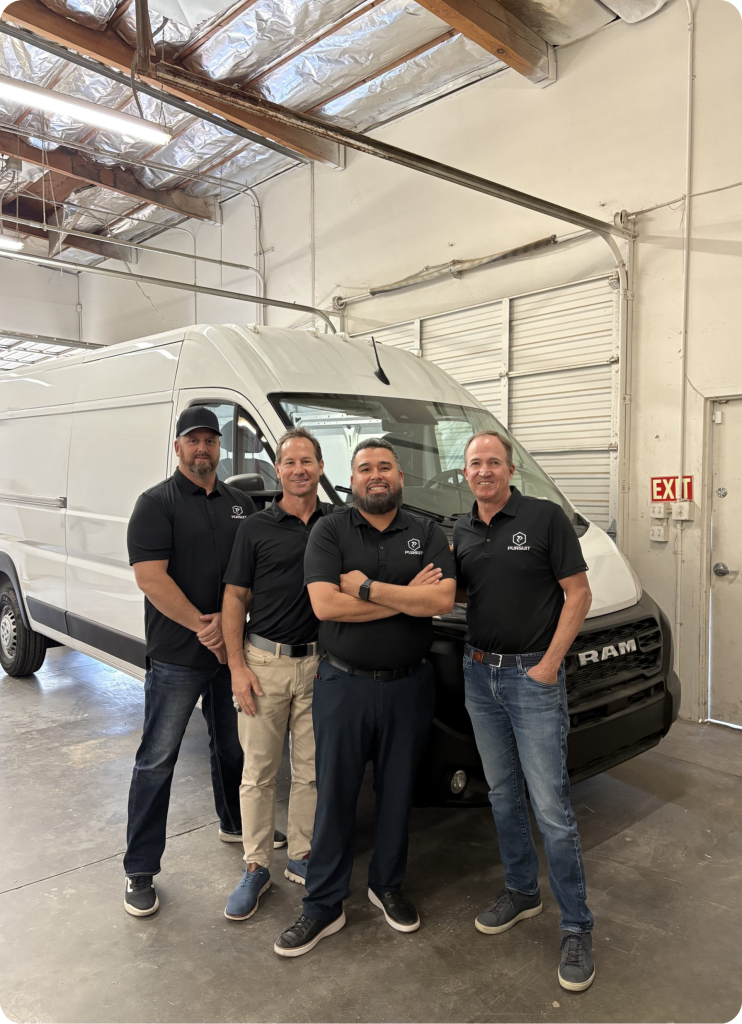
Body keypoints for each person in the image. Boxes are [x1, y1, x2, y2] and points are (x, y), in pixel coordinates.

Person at [274, 437, 457, 957]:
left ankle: (387, 886)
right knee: (335, 796)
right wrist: (408, 597)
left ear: (400, 477)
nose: (376, 475)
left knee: (398, 793)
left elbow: (443, 599)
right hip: (343, 686)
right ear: (351, 479)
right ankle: (322, 905)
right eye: (365, 468)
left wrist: (366, 588)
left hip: (409, 686)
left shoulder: (426, 532)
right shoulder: (330, 530)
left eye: (385, 466)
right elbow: (325, 606)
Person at [123, 406, 284, 917]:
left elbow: (250, 574)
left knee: (233, 748)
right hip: (178, 656)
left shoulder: (240, 504)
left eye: (210, 441)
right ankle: (140, 869)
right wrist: (203, 625)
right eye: (193, 440)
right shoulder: (155, 504)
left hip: (231, 654)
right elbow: (150, 578)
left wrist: (228, 631)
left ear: (219, 448)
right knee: (157, 760)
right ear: (178, 448)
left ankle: (235, 823)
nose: (202, 449)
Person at [453, 430, 595, 992]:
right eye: (475, 463)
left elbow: (578, 593)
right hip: (478, 673)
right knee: (502, 793)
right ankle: (521, 890)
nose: (484, 471)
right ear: (465, 472)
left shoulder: (544, 518)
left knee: (552, 807)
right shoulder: (462, 529)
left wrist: (549, 664)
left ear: (510, 470)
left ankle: (577, 926)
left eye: (493, 462)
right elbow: (466, 593)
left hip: (532, 676)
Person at [220, 427, 332, 922]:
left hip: (319, 666)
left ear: (320, 467)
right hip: (264, 665)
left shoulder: (336, 526)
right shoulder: (255, 528)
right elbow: (234, 598)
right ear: (278, 469)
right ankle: (256, 866)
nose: (299, 470)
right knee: (259, 773)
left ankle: (302, 855)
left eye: (307, 461)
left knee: (311, 770)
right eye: (290, 462)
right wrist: (236, 668)